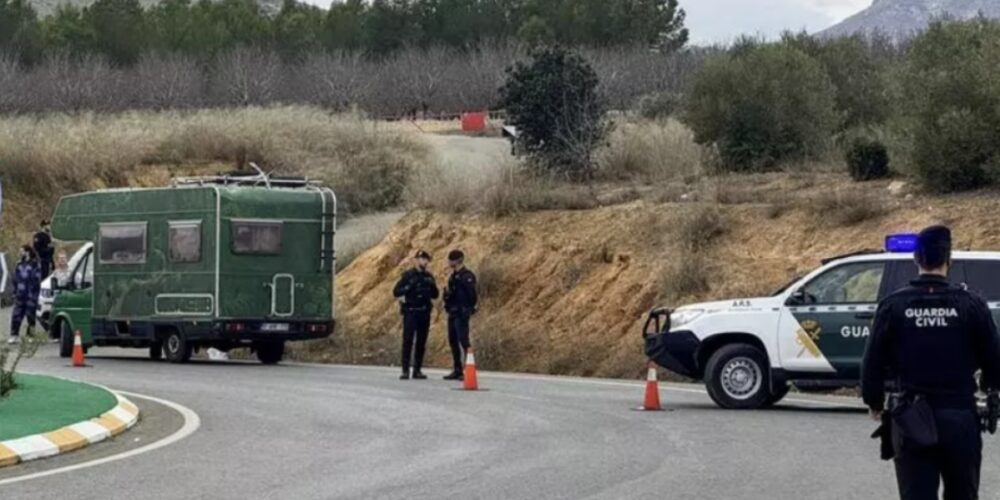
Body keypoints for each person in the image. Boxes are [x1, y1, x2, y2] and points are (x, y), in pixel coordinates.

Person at [862, 225, 1000, 500]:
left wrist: (874, 401)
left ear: (916, 260)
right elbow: (994, 359)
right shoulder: (971, 304)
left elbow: (872, 361)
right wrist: (991, 387)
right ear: (949, 261)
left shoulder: (893, 305)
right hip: (960, 415)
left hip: (911, 417)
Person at [392, 250, 439, 380]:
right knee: (407, 340)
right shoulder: (408, 275)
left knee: (421, 342)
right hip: (411, 312)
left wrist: (432, 286)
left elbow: (435, 295)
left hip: (424, 312)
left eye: (426, 259)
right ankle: (405, 370)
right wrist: (408, 287)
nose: (424, 261)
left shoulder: (429, 277)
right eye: (422, 259)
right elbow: (396, 292)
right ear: (416, 260)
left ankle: (417, 369)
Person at [442, 250, 478, 381]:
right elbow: (451, 294)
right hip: (453, 311)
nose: (449, 262)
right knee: (453, 341)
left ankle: (469, 368)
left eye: (451, 260)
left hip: (462, 312)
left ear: (457, 261)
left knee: (464, 340)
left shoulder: (467, 276)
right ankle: (457, 369)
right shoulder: (453, 276)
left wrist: (469, 308)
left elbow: (472, 295)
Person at [8, 245, 42, 344]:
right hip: (20, 294)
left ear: (27, 252)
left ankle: (30, 335)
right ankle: (14, 334)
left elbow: (37, 279)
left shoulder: (35, 264)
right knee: (16, 315)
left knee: (30, 316)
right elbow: (15, 279)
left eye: (22, 251)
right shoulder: (19, 264)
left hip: (31, 295)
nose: (20, 252)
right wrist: (15, 292)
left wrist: (34, 294)